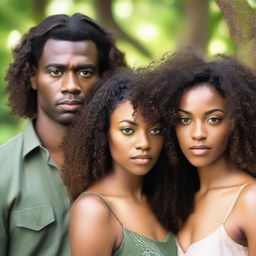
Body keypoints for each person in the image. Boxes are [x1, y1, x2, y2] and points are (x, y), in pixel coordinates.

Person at [0, 13, 126, 256]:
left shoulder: (132, 161)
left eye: (85, 72)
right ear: (32, 77)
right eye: (56, 71)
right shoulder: (2, 171)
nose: (71, 85)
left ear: (105, 78)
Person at [132, 51, 256, 255]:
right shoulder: (178, 199)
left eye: (213, 119)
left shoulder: (250, 199)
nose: (198, 134)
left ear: (235, 123)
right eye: (184, 120)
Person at [61, 67, 178, 255]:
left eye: (155, 131)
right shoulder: (93, 210)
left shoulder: (163, 199)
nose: (144, 143)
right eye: (128, 130)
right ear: (103, 133)